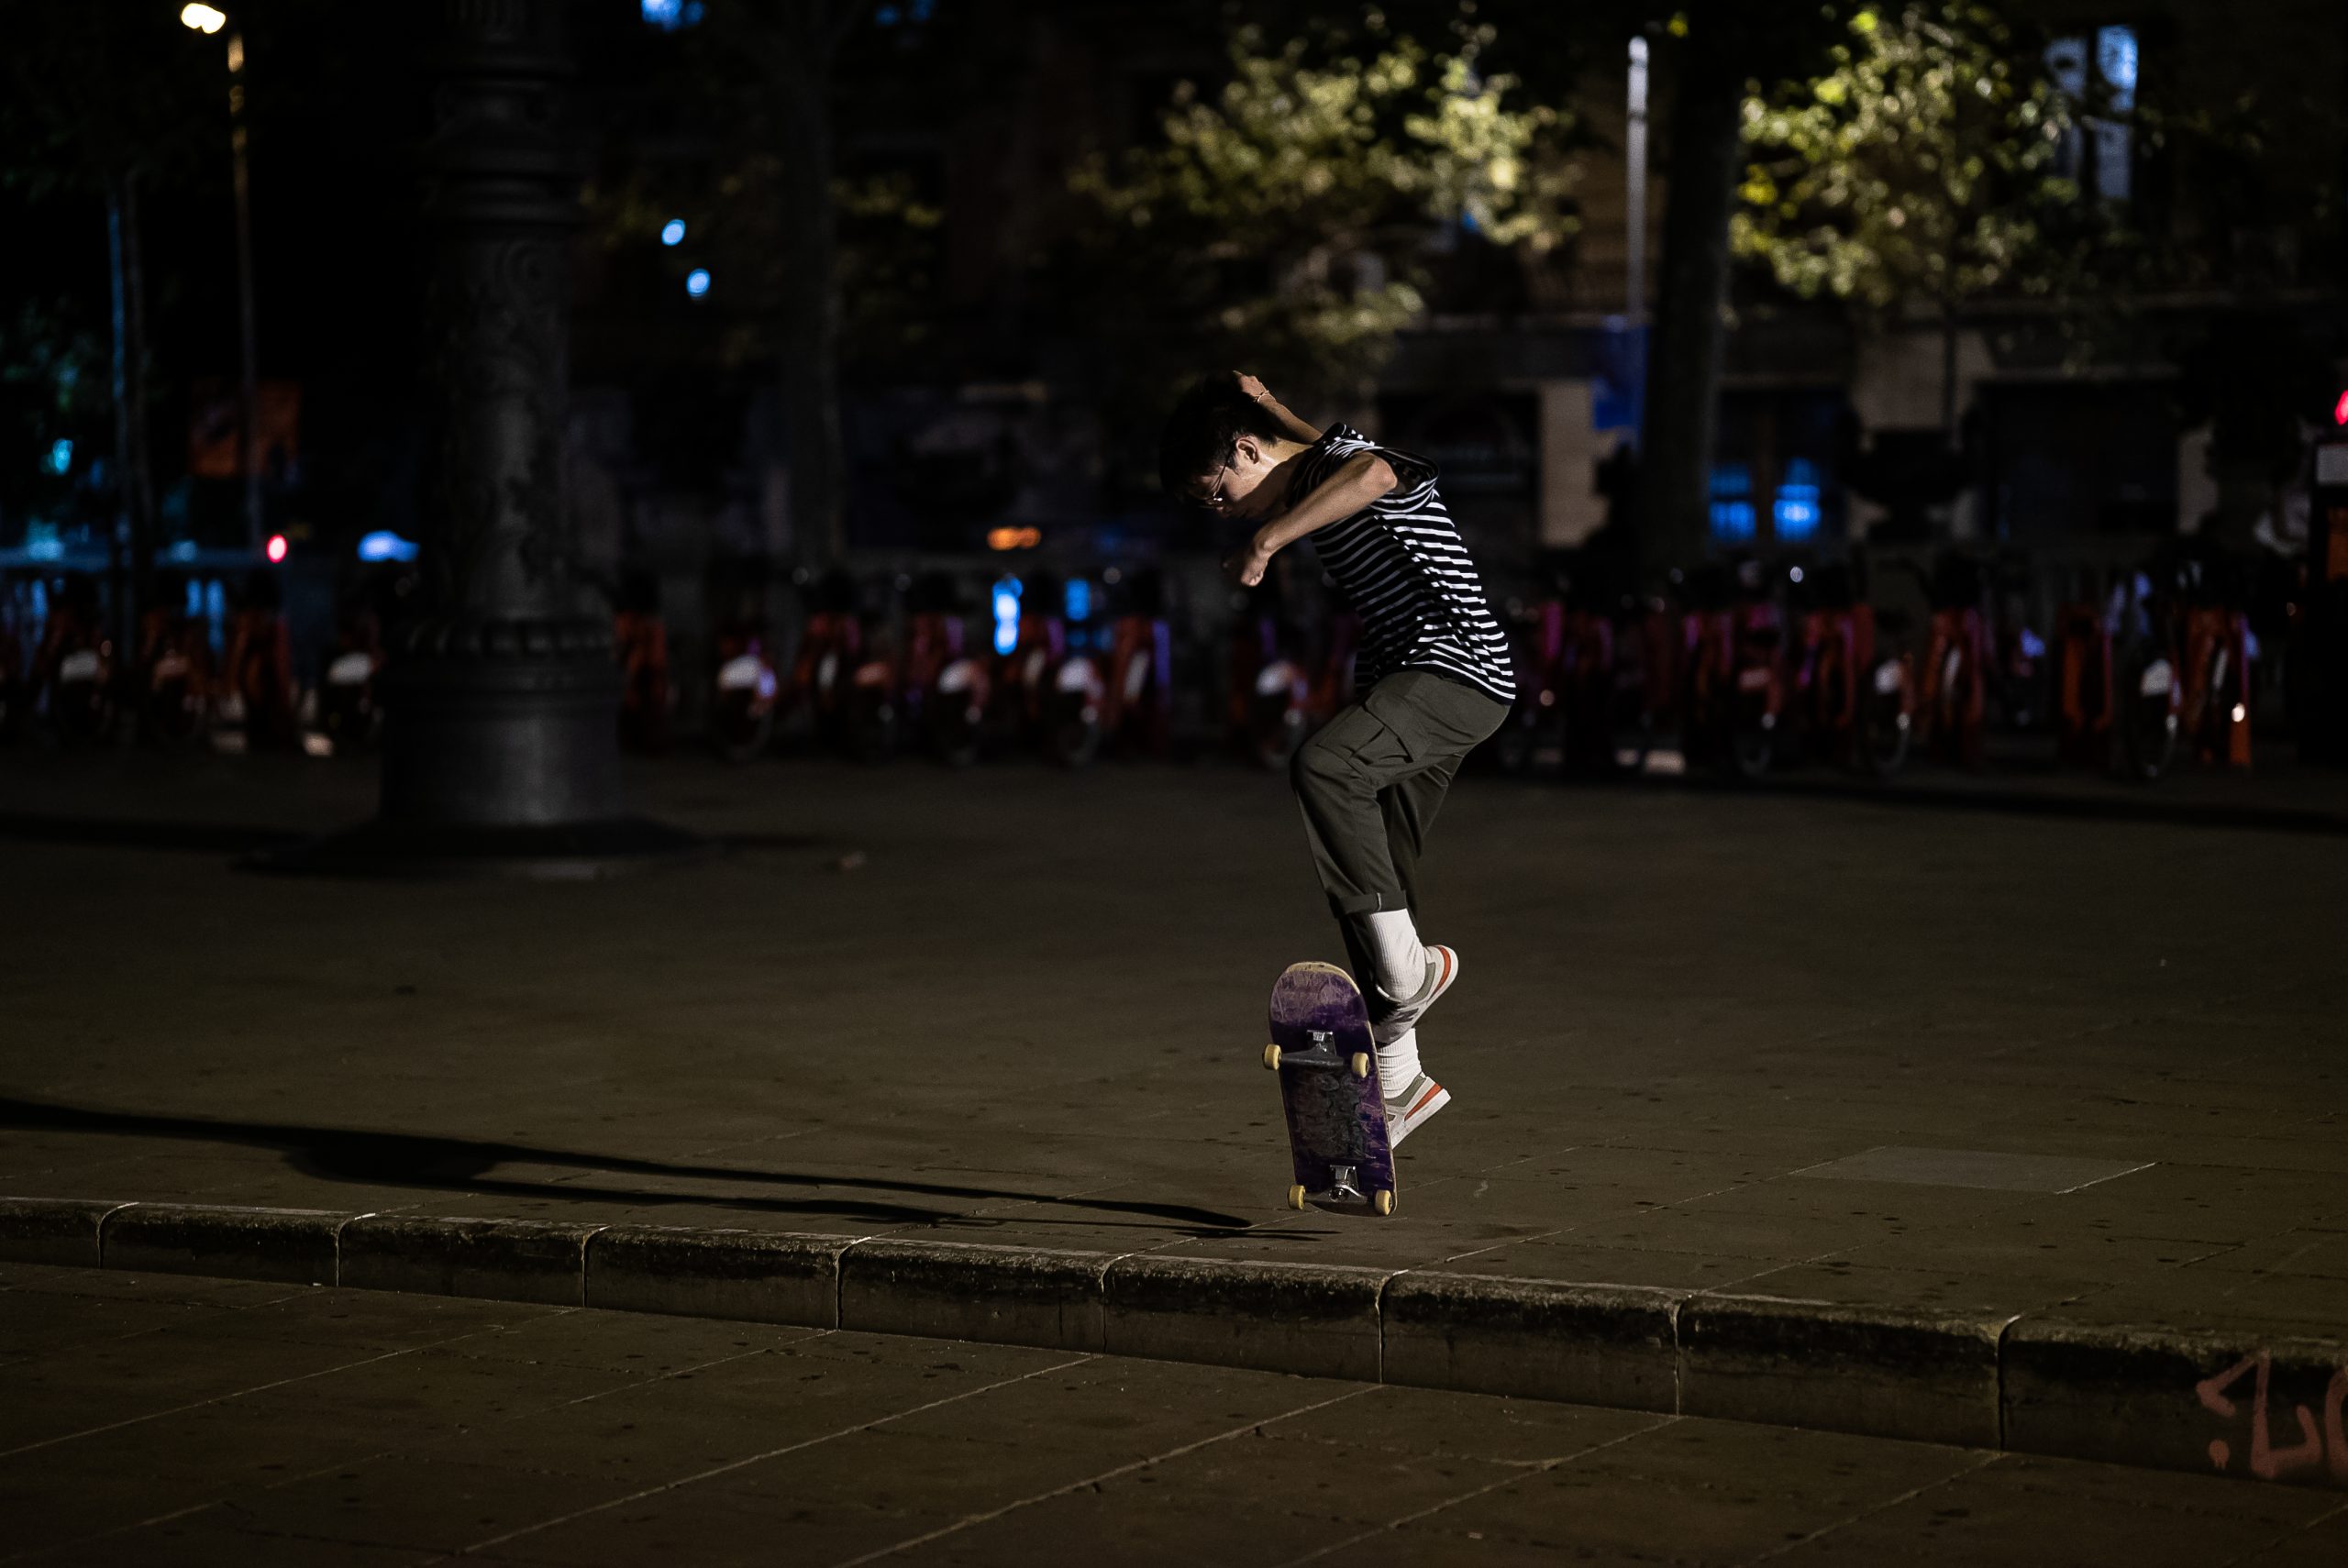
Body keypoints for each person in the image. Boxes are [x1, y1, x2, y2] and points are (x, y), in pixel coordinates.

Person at [1161, 372, 1515, 1145]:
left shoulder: (1353, 469)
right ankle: (1402, 1080)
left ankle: (1414, 976)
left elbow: (1374, 473)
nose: (1221, 511)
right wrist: (1270, 406)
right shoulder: (1316, 463)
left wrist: (1267, 542)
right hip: (1406, 684)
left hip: (1454, 672)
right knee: (1377, 878)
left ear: (1245, 451)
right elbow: (1310, 449)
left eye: (1217, 493)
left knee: (1327, 767)